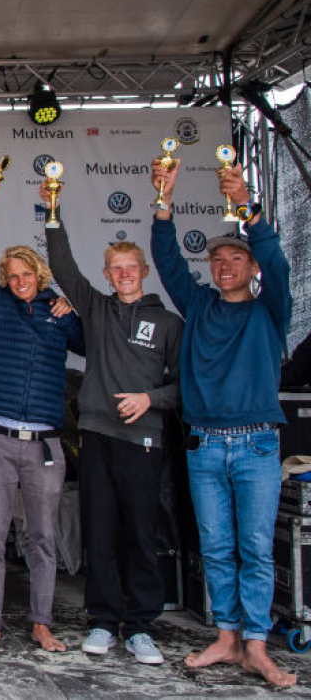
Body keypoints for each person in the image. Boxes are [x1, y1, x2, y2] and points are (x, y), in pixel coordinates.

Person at [150, 156, 296, 688]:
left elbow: (278, 263)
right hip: (204, 446)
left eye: (236, 257)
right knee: (215, 546)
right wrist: (163, 202)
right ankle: (228, 638)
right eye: (218, 258)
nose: (225, 264)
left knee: (256, 547)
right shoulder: (200, 305)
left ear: (252, 267)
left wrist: (247, 209)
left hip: (257, 445)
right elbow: (166, 262)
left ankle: (257, 646)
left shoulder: (270, 310)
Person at [40, 182, 183, 664]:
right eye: (115, 269)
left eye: (131, 269)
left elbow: (185, 386)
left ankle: (140, 626)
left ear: (143, 272)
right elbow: (62, 268)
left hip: (143, 440)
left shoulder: (168, 324)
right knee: (99, 531)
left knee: (141, 533)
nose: (124, 275)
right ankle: (102, 620)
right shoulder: (96, 308)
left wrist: (151, 398)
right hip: (98, 435)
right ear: (107, 274)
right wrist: (52, 211)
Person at [0, 172, 83, 653]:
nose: (19, 282)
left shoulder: (58, 313)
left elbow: (95, 347)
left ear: (40, 277)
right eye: (12, 276)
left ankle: (42, 623)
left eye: (26, 276)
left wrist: (72, 310)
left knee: (43, 539)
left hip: (47, 444)